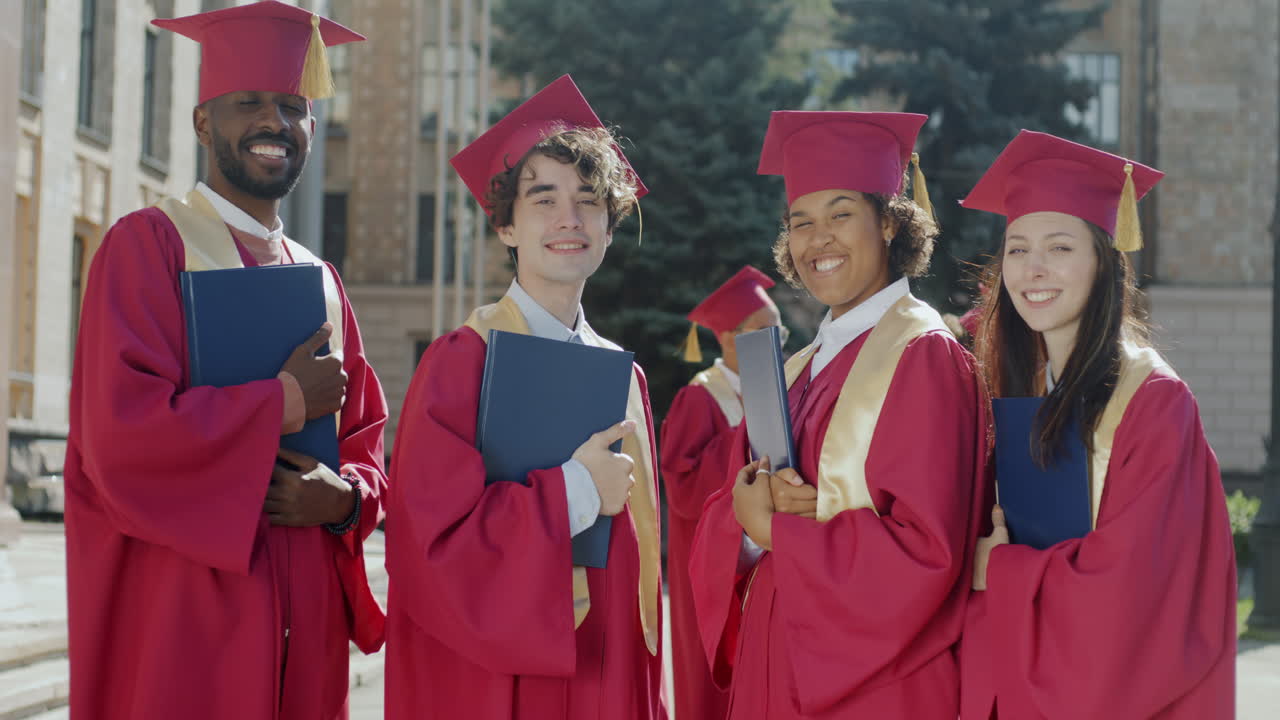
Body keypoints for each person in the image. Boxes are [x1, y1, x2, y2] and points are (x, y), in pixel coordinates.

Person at [63, 3, 388, 718]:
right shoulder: (148, 248)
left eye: (292, 107)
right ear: (203, 123)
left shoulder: (323, 281)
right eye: (248, 104)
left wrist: (345, 502)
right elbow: (119, 437)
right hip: (185, 614)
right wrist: (282, 403)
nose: (273, 123)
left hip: (306, 626)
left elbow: (366, 443)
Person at [688, 111, 990, 719]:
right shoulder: (797, 368)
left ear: (887, 223)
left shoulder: (923, 355)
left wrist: (780, 533)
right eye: (801, 223)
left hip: (875, 686)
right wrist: (747, 523)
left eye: (840, 215)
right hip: (776, 662)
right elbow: (737, 500)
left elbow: (929, 551)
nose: (817, 239)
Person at [384, 75, 666, 720]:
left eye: (590, 200)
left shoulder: (625, 376)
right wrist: (577, 490)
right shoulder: (465, 358)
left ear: (610, 227)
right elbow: (428, 543)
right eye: (543, 199)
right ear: (506, 228)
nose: (570, 219)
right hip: (498, 682)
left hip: (607, 671)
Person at [959, 130, 1236, 719]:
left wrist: (999, 570)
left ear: (1105, 264)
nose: (1032, 269)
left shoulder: (1155, 402)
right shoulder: (1021, 389)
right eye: (1016, 248)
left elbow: (1131, 594)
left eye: (1060, 248)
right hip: (1025, 690)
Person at [661, 265, 783, 720]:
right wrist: (747, 432)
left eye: (779, 328)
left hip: (765, 561)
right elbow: (684, 486)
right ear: (730, 338)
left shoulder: (775, 388)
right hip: (711, 569)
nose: (779, 339)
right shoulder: (700, 398)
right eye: (765, 330)